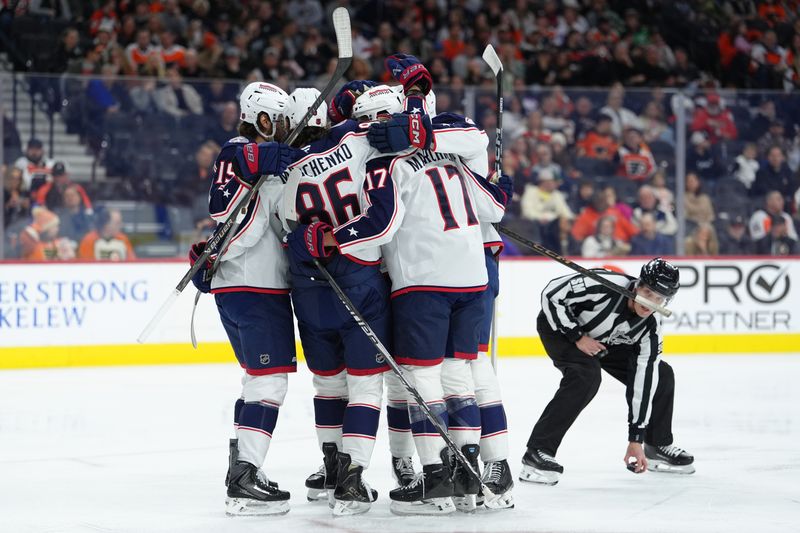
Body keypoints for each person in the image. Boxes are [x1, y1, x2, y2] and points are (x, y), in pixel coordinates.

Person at [344, 56, 510, 515]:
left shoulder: (386, 162)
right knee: (463, 374)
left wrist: (331, 240)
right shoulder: (453, 155)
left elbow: (381, 228)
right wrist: (500, 189)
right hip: (472, 275)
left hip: (423, 283)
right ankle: (475, 473)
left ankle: (438, 477)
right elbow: (494, 208)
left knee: (421, 379)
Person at [188, 81, 298, 516]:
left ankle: (242, 467)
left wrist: (214, 256)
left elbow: (227, 218)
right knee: (269, 382)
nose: (287, 127)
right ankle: (245, 478)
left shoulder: (237, 155)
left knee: (256, 380)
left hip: (235, 289)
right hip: (256, 289)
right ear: (263, 119)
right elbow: (247, 228)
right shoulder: (243, 155)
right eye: (281, 119)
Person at [521, 258, 694, 486]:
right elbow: (552, 294)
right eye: (648, 292)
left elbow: (645, 376)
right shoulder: (604, 284)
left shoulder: (651, 327)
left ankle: (656, 444)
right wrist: (577, 337)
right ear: (638, 285)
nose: (650, 303)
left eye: (659, 298)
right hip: (562, 329)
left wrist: (636, 438)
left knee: (661, 375)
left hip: (607, 340)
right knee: (586, 375)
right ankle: (537, 452)